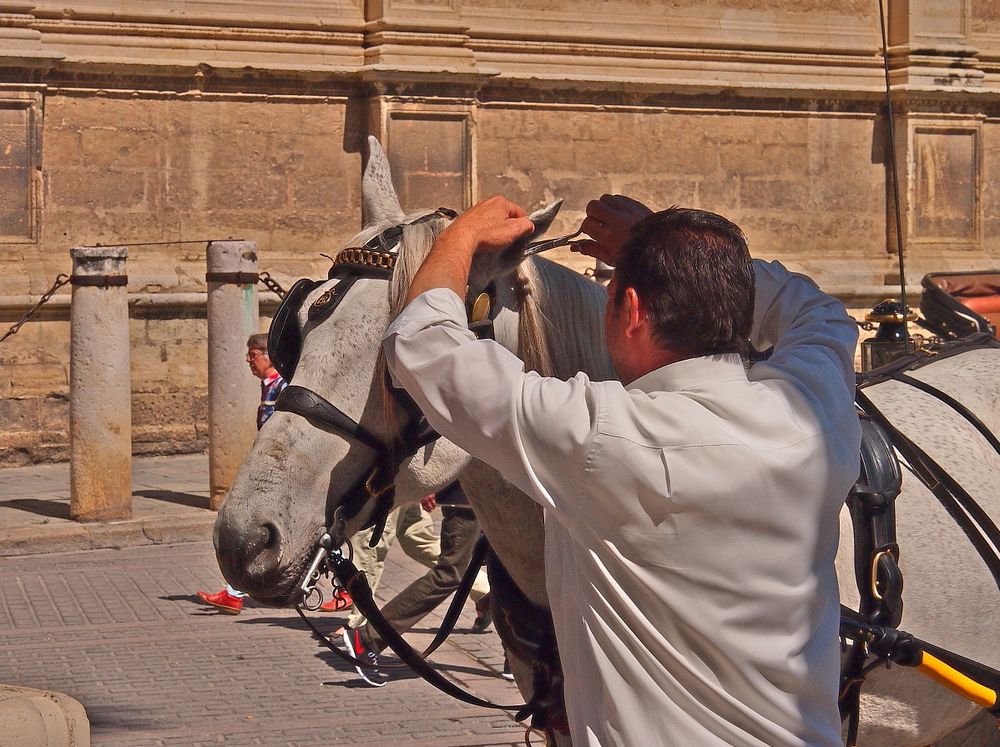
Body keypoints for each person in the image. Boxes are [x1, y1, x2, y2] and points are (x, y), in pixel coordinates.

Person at [380, 195, 861, 746]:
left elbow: (421, 345)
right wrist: (689, 259)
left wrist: (456, 240)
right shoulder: (816, 406)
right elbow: (819, 312)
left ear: (631, 310)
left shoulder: (601, 438)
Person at [196, 334, 356, 614]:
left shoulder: (283, 386)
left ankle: (346, 586)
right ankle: (235, 591)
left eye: (254, 354)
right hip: (272, 468)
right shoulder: (269, 386)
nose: (249, 360)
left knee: (319, 529)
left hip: (287, 472)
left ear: (268, 356)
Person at [342, 481, 491, 687]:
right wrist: (435, 484)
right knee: (449, 573)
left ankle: (522, 653)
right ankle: (369, 638)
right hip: (467, 498)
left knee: (510, 568)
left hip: (491, 499)